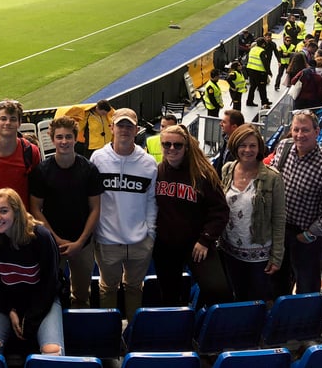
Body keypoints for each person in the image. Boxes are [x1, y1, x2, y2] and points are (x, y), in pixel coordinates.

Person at [154, 124, 232, 307]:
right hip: (166, 245)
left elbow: (220, 211)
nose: (171, 149)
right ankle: (178, 329)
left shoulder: (202, 174)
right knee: (169, 295)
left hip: (198, 243)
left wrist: (205, 239)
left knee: (217, 290)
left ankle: (202, 323)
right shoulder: (156, 171)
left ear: (186, 147)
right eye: (166, 144)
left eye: (177, 145)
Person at [91, 108, 157, 321]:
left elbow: (151, 201)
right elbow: (92, 199)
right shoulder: (98, 159)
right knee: (107, 288)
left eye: (129, 126)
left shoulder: (148, 163)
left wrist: (150, 234)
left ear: (137, 130)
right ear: (111, 128)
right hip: (108, 242)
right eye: (120, 125)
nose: (125, 130)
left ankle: (131, 334)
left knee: (135, 287)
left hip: (139, 242)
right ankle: (108, 333)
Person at [0, 188, 64, 356]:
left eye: (4, 211)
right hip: (5, 304)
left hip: (42, 302)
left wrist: (31, 319)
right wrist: (10, 310)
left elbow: (50, 283)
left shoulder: (40, 236)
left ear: (17, 211)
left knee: (53, 353)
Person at [29, 116, 103, 308]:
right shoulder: (42, 171)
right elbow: (35, 208)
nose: (64, 141)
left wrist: (80, 242)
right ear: (52, 139)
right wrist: (57, 239)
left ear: (75, 138)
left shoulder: (89, 169)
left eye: (68, 137)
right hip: (53, 244)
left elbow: (95, 208)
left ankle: (79, 330)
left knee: (81, 295)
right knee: (51, 291)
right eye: (59, 137)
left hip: (83, 245)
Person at [271, 110, 322, 295]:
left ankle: (307, 319)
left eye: (305, 130)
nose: (299, 135)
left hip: (304, 237)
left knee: (306, 284)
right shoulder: (284, 147)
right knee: (278, 279)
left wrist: (307, 236)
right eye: (296, 129)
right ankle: (281, 317)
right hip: (279, 231)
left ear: (317, 131)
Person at [219, 125, 286, 302]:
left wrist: (277, 256)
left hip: (259, 255)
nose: (247, 150)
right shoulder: (227, 169)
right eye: (242, 145)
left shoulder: (273, 177)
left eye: (252, 145)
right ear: (235, 146)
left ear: (259, 148)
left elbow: (279, 219)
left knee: (257, 299)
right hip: (229, 249)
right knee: (238, 295)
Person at [0, 99, 40, 207]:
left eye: (13, 119)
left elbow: (36, 192)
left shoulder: (31, 152)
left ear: (19, 123)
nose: (8, 123)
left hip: (20, 220)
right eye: (3, 119)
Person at [213, 109, 244, 178]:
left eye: (224, 122)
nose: (220, 124)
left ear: (234, 127)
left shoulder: (241, 146)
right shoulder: (226, 139)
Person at [245, 37, 272, 108]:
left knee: (252, 86)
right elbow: (265, 63)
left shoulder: (252, 49)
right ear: (263, 44)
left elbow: (248, 59)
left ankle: (249, 101)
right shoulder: (262, 51)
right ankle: (264, 102)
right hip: (260, 72)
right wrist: (269, 72)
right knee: (262, 87)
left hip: (250, 70)